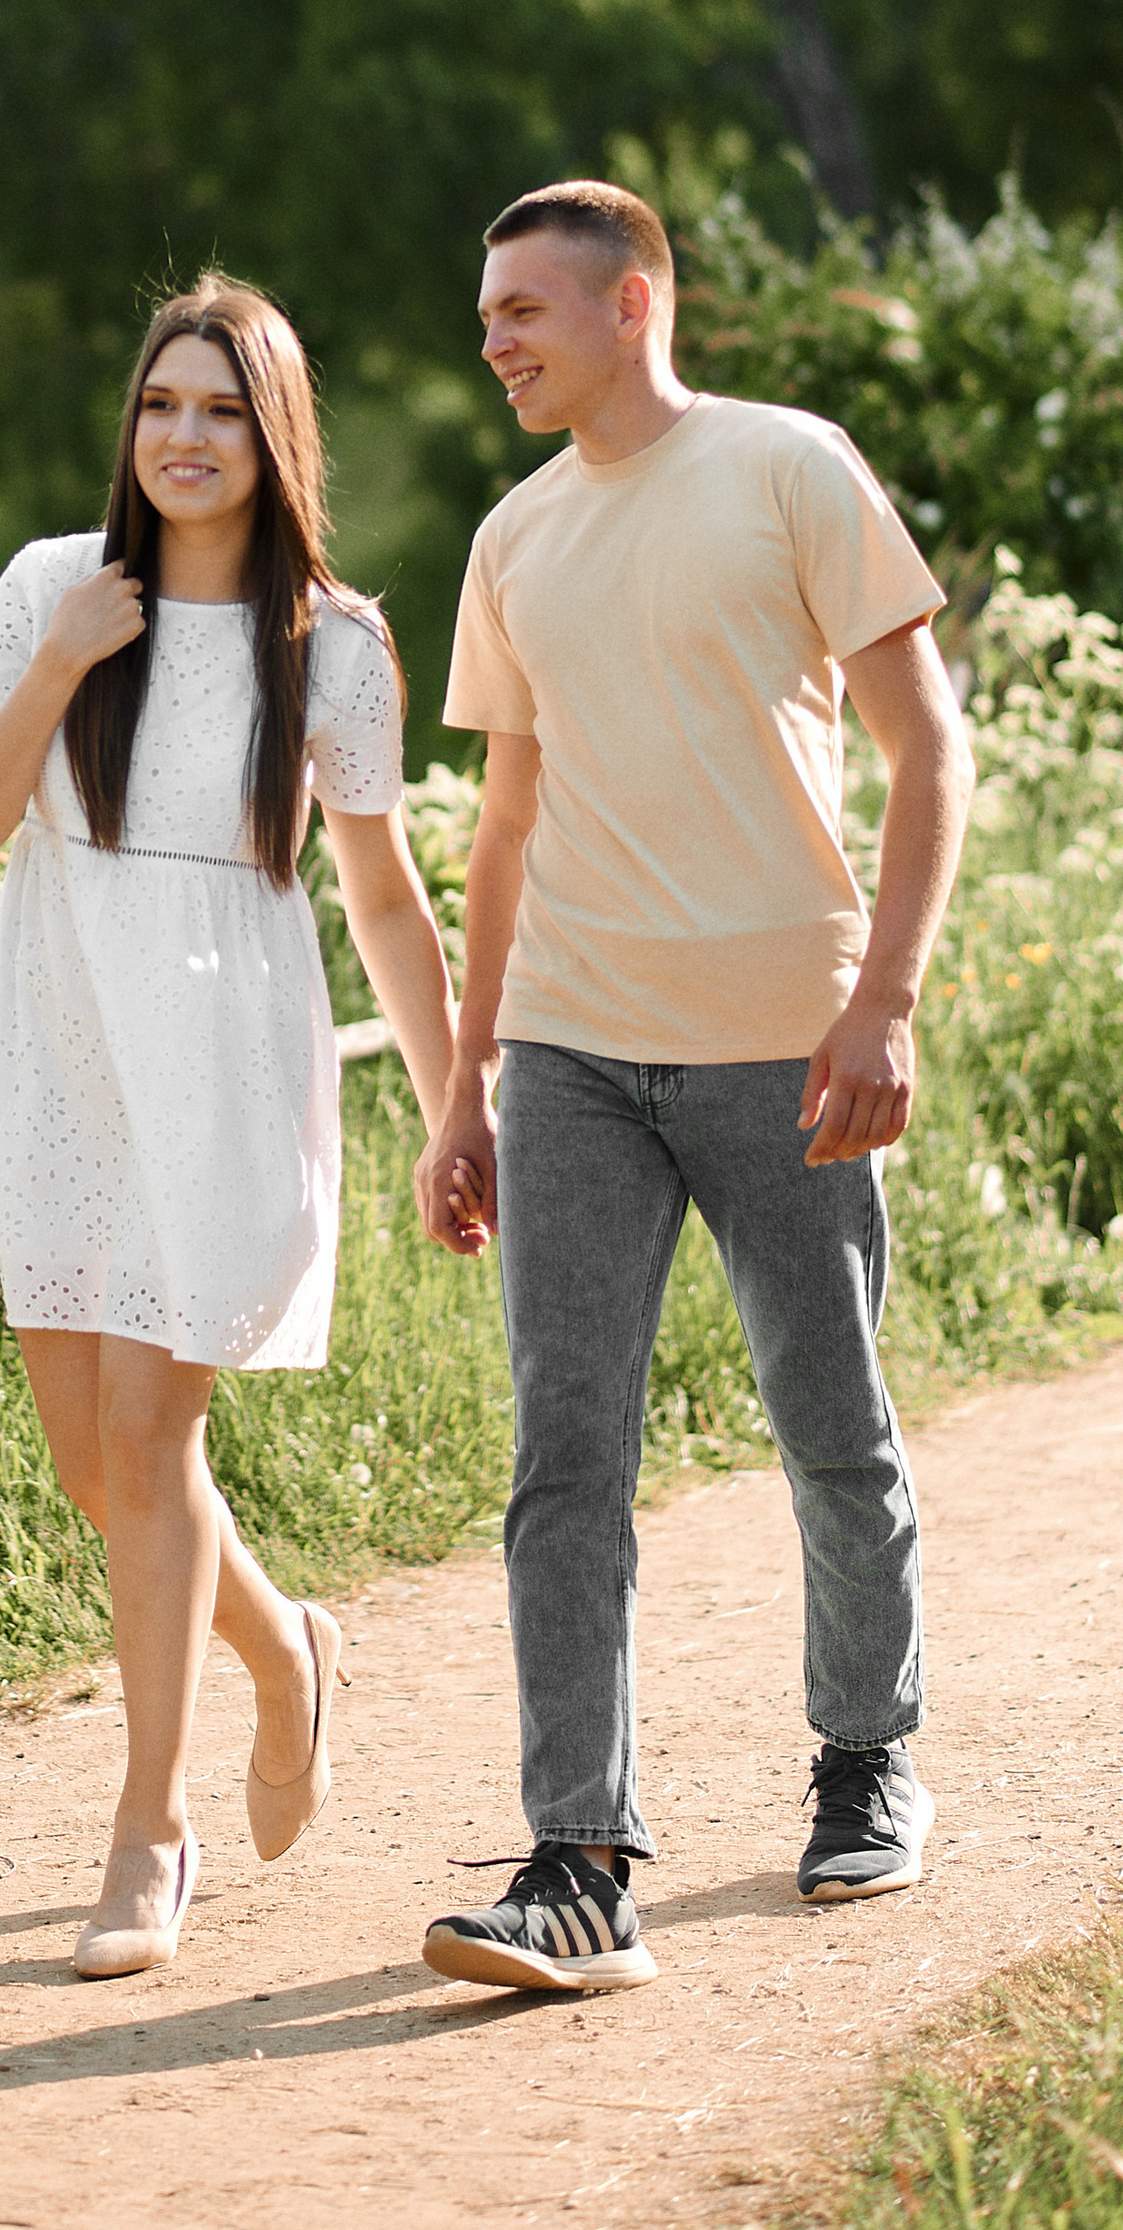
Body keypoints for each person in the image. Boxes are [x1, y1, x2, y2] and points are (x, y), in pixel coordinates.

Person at [415, 181, 974, 1997]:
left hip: (783, 1041)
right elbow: (504, 820)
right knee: (562, 1452)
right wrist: (471, 1079)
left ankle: (865, 1754)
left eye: (523, 308)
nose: (493, 337)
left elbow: (926, 748)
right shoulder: (511, 536)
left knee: (831, 1416)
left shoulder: (791, 466)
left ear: (632, 297)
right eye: (487, 311)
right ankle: (580, 1860)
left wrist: (883, 999)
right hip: (573, 1046)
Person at [0, 274, 459, 1980]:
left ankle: (149, 1830)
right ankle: (288, 1648)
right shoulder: (45, 594)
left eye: (222, 409)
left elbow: (384, 896)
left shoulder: (339, 645)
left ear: (274, 432)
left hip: (226, 1061)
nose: (185, 437)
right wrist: (66, 661)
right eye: (161, 405)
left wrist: (462, 1110)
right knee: (98, 1464)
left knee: (151, 1450)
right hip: (65, 1048)